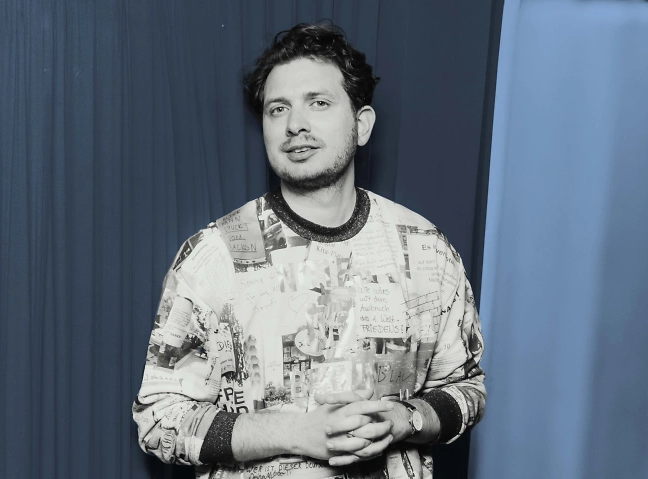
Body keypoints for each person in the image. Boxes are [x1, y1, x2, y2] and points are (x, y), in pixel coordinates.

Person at [133, 22, 486, 479]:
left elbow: (467, 388)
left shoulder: (426, 249)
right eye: (277, 108)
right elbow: (159, 419)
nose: (295, 124)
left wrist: (406, 419)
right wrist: (298, 433)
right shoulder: (215, 255)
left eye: (318, 102)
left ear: (361, 125)